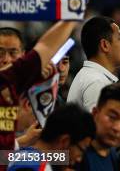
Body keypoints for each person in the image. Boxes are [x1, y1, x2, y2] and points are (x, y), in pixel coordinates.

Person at [0, 21, 76, 152]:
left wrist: (73, 16)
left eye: (13, 53)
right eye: (0, 53)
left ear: (23, 55)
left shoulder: (47, 95)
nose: (6, 59)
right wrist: (24, 142)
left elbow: (45, 46)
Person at [8, 104, 95, 171]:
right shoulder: (41, 168)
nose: (79, 159)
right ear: (65, 141)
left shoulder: (15, 155)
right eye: (81, 149)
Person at [68, 16, 120, 112]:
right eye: (119, 39)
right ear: (104, 45)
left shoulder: (93, 77)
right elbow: (97, 126)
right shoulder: (97, 82)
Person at [78, 83, 120, 171]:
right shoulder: (72, 150)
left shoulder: (113, 155)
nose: (117, 128)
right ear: (95, 113)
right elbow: (52, 158)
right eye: (112, 117)